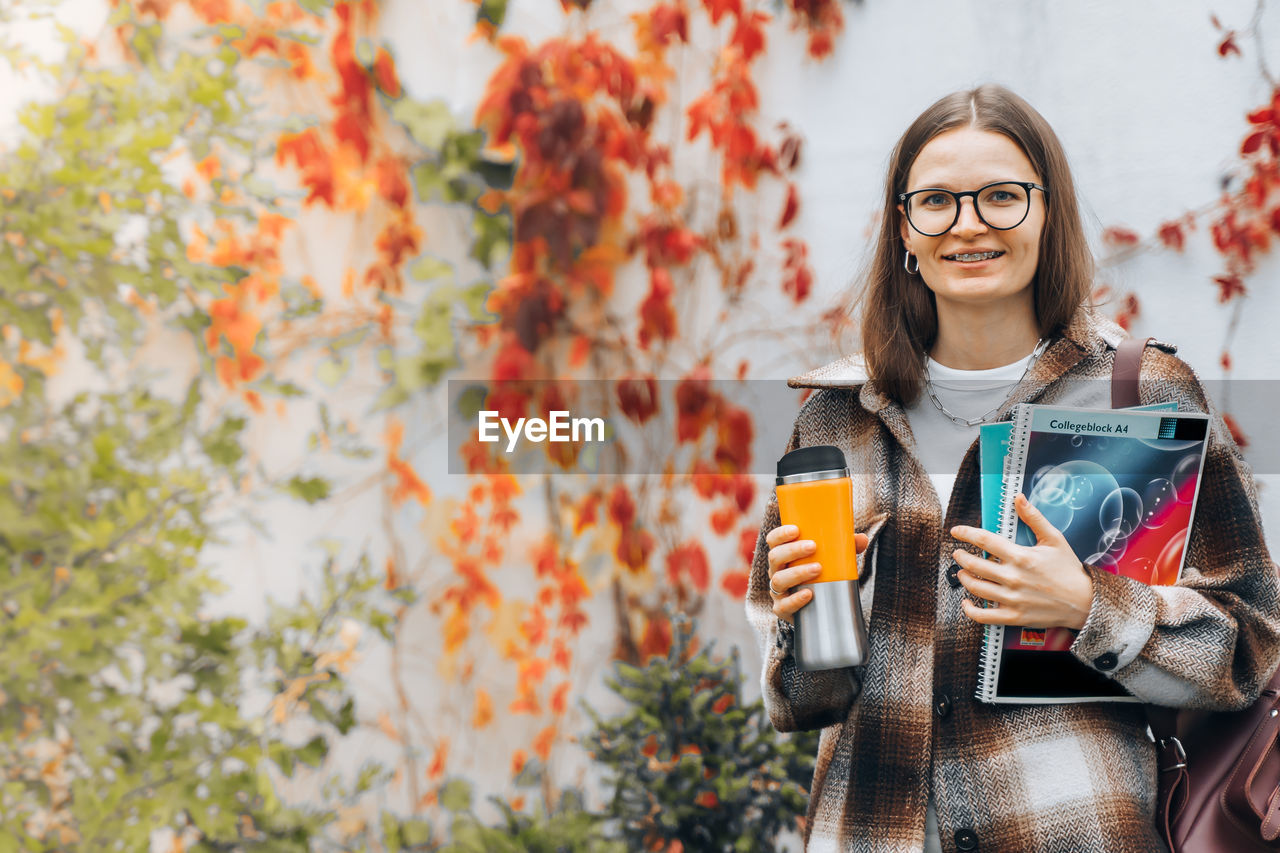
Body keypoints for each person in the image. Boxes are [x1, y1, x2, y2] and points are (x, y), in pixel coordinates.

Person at [746, 83, 1280, 853]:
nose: (969, 225)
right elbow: (802, 701)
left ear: (1045, 212)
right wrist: (805, 622)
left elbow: (1248, 645)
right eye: (937, 201)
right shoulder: (837, 417)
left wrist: (1089, 606)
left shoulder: (1136, 394)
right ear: (906, 227)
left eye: (1001, 196)